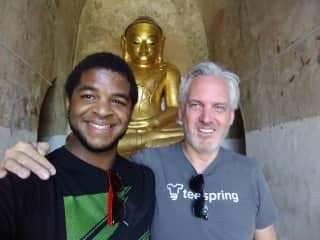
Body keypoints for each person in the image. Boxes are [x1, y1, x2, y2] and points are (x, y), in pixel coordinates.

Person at [0, 62, 277, 240]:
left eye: (219, 108)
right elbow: (94, 166)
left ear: (231, 116)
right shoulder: (146, 167)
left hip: (155, 126)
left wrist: (154, 121)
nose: (207, 118)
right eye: (195, 105)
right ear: (181, 112)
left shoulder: (249, 172)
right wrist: (21, 160)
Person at [0, 52, 155, 240]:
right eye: (89, 96)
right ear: (68, 103)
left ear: (130, 113)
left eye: (117, 101)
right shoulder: (26, 180)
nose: (103, 111)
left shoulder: (144, 180)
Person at [118, 16, 183, 156]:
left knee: (185, 136)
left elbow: (174, 108)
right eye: (136, 42)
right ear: (125, 43)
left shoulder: (169, 71)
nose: (144, 49)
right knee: (80, 139)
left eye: (152, 43)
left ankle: (142, 142)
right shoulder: (117, 70)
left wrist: (153, 122)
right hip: (124, 129)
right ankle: (145, 142)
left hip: (157, 128)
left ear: (161, 44)